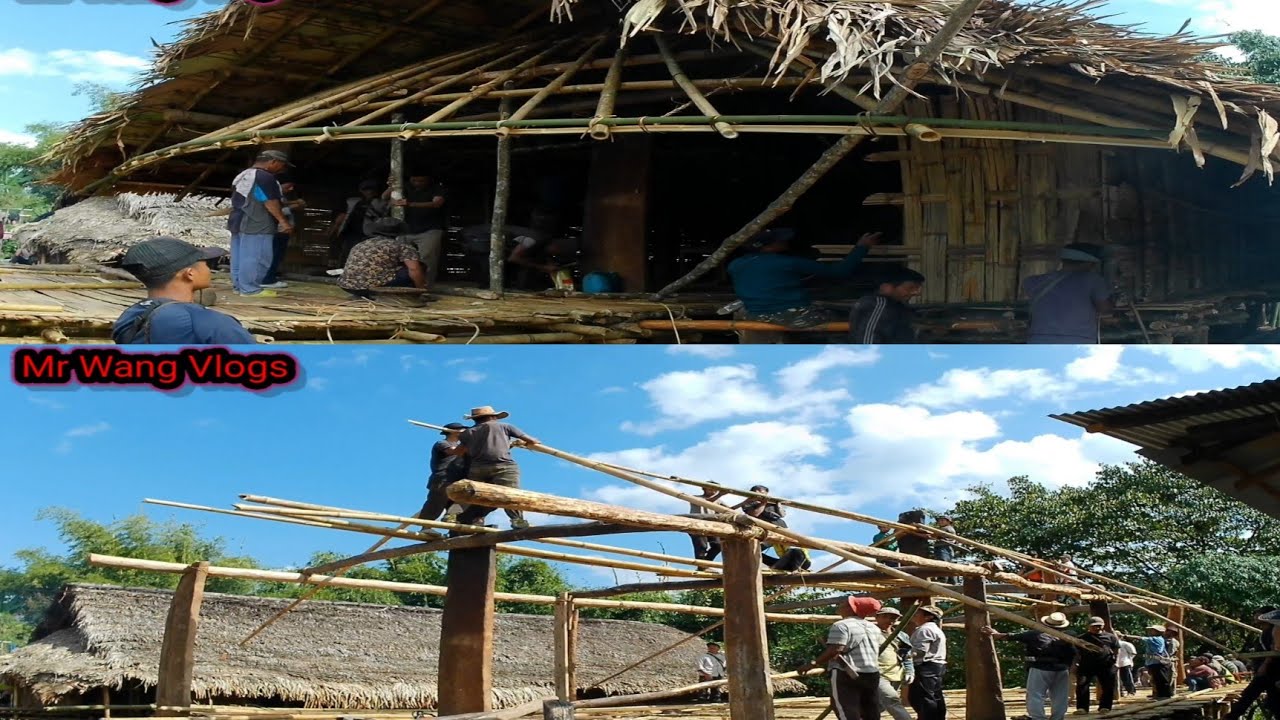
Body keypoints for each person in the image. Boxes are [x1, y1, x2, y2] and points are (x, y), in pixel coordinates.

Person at [728, 228, 882, 341]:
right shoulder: (787, 262)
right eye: (780, 239)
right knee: (844, 319)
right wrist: (862, 247)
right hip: (792, 315)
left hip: (755, 315)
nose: (785, 241)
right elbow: (839, 272)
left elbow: (765, 281)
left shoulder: (735, 264)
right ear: (769, 246)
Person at [113, 237, 256, 345]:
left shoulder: (130, 316)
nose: (209, 269)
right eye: (206, 263)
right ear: (190, 274)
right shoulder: (209, 322)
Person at [450, 405, 539, 529]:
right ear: (493, 416)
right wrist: (525, 442)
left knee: (469, 491)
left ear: (475, 419)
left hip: (478, 467)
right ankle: (517, 520)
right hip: (504, 466)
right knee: (510, 494)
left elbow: (459, 451)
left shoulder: (467, 433)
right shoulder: (505, 426)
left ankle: (451, 515)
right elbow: (532, 441)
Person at [798, 596, 885, 720]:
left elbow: (836, 649)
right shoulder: (874, 628)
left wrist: (813, 663)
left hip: (846, 673)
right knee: (870, 710)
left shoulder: (841, 625)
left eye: (845, 603)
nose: (841, 605)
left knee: (846, 710)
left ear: (851, 609)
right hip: (872, 673)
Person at [984, 612, 1076, 720]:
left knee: (1036, 694)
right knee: (1060, 696)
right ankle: (1058, 717)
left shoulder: (1035, 634)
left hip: (1041, 668)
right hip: (1062, 669)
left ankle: (1038, 718)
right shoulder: (1067, 638)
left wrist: (994, 633)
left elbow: (1009, 636)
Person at [228, 150, 293, 297]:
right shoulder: (265, 177)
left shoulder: (243, 175)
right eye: (281, 165)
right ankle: (251, 289)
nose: (281, 169)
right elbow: (269, 202)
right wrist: (283, 221)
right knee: (256, 256)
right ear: (273, 162)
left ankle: (239, 286)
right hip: (256, 222)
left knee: (239, 256)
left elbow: (254, 195)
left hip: (238, 220)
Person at [1022, 242, 1113, 344]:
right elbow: (1104, 308)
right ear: (1088, 263)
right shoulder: (1093, 280)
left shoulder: (1032, 281)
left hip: (1038, 340)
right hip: (1078, 341)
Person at [337, 218, 426, 298]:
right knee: (419, 267)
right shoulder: (402, 246)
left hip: (346, 285)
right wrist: (420, 289)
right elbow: (414, 269)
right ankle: (406, 296)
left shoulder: (363, 244)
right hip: (372, 287)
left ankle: (361, 294)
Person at [393, 172, 448, 286]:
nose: (417, 183)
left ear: (428, 180)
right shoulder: (403, 187)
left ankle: (425, 286)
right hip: (406, 229)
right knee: (398, 258)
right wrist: (391, 186)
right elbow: (385, 198)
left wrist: (410, 204)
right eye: (414, 180)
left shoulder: (437, 188)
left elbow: (437, 203)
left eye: (421, 181)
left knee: (427, 259)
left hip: (430, 229)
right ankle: (402, 285)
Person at [1224, 609, 1280, 720]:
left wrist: (1265, 664)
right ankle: (1231, 716)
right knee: (1251, 696)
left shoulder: (1273, 630)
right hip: (1269, 671)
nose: (1258, 624)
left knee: (1253, 695)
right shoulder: (1267, 633)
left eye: (1261, 622)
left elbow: (1274, 650)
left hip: (1273, 670)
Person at [849, 267, 925, 344]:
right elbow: (867, 341)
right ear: (886, 287)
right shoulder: (877, 305)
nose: (916, 293)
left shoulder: (896, 305)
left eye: (917, 288)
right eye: (910, 288)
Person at [329, 179, 389, 266]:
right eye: (366, 190)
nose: (369, 192)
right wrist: (336, 228)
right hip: (351, 233)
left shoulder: (380, 203)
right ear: (361, 190)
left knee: (364, 255)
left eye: (371, 190)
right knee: (346, 254)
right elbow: (343, 216)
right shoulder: (352, 201)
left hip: (367, 235)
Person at [419, 423, 468, 522]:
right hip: (443, 478)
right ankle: (426, 527)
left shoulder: (461, 447)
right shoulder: (442, 444)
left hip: (457, 479)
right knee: (435, 504)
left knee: (465, 499)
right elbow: (454, 451)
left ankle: (451, 517)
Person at [872, 606, 914, 720]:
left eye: (893, 618)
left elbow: (907, 656)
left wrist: (910, 671)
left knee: (879, 705)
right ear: (877, 617)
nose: (888, 620)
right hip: (877, 674)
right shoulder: (870, 633)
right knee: (892, 701)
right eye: (885, 616)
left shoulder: (901, 636)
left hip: (896, 674)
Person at [262, 179, 305, 290]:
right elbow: (274, 211)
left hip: (282, 231)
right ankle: (267, 279)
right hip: (277, 230)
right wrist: (292, 207)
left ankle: (270, 276)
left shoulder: (281, 198)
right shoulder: (272, 196)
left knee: (278, 254)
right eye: (288, 186)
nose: (290, 189)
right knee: (273, 254)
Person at [908, 605, 947, 720]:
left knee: (921, 697)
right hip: (936, 666)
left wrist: (904, 654)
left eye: (918, 613)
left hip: (926, 666)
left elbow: (920, 651)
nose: (915, 616)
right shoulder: (933, 629)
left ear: (928, 617)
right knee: (934, 696)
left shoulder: (925, 630)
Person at [1075, 616, 1119, 714]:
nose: (1097, 628)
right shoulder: (1082, 638)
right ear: (1088, 627)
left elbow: (1116, 649)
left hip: (1106, 665)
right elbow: (1076, 652)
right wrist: (1076, 664)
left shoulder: (1110, 637)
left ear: (1103, 626)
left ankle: (1105, 707)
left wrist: (1115, 662)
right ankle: (1082, 708)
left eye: (1099, 626)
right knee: (1082, 686)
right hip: (1086, 665)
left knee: (1108, 686)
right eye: (1094, 626)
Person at [1124, 625, 1174, 698]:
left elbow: (1140, 638)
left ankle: (1166, 695)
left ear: (1158, 632)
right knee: (1157, 680)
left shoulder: (1156, 639)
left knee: (1162, 680)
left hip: (1158, 663)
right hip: (1154, 662)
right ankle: (1160, 695)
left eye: (1152, 630)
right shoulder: (1155, 639)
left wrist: (1126, 636)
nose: (1150, 631)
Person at [689, 483, 728, 561]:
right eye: (711, 488)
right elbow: (707, 502)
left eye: (716, 489)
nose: (713, 491)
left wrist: (744, 502)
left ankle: (704, 564)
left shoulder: (718, 501)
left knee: (718, 545)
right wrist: (719, 495)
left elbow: (729, 510)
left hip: (711, 526)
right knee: (701, 547)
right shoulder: (695, 498)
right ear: (704, 488)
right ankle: (701, 565)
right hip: (697, 525)